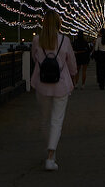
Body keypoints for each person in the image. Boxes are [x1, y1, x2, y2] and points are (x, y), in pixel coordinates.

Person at [31, 10, 77, 171]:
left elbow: (34, 58)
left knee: (45, 119)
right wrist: (74, 75)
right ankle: (51, 155)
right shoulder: (64, 40)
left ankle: (50, 149)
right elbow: (71, 63)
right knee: (57, 120)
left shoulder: (37, 40)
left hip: (42, 84)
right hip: (61, 84)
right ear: (59, 24)